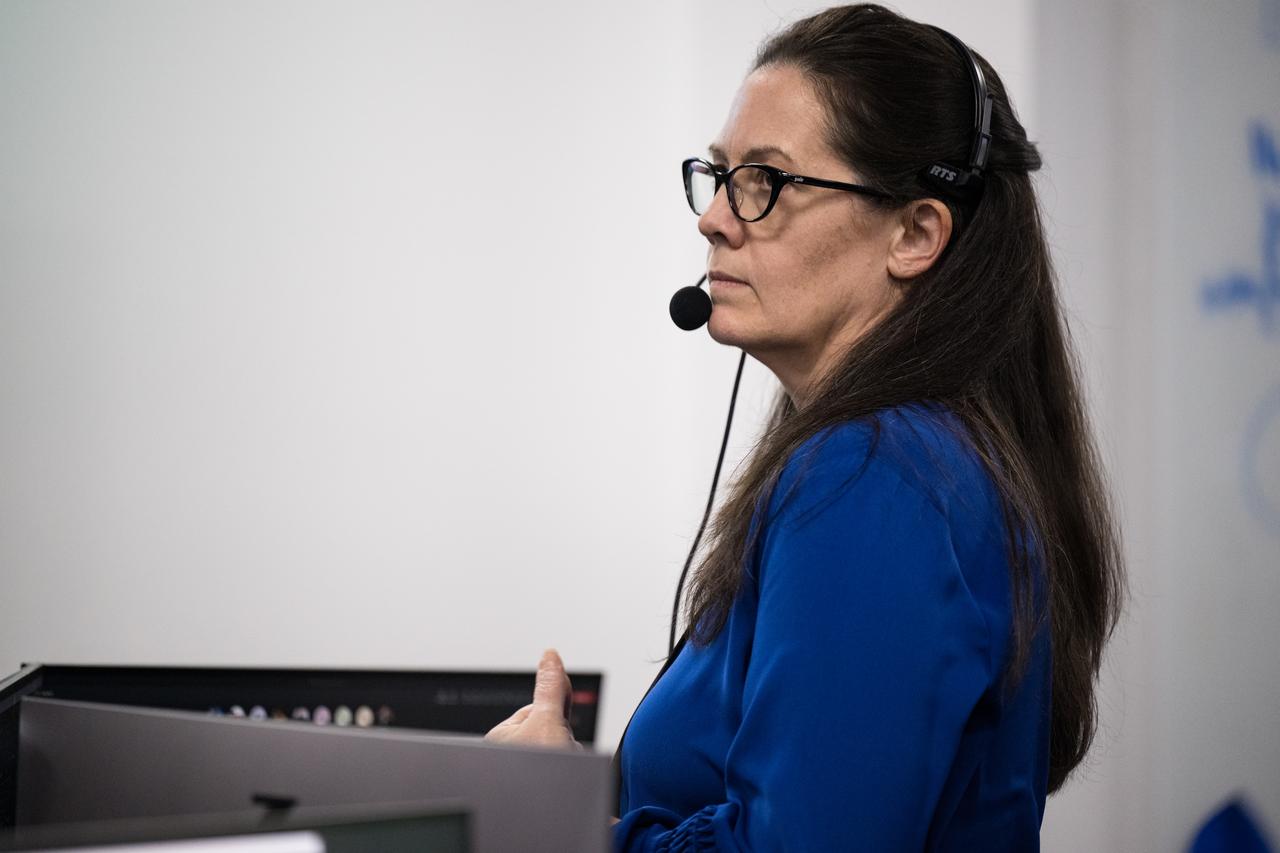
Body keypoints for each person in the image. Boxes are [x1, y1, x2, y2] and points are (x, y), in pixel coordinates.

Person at [486, 4, 1124, 850]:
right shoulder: (915, 461)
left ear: (916, 232)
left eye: (768, 182)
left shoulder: (880, 476)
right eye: (719, 175)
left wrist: (554, 820)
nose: (715, 216)